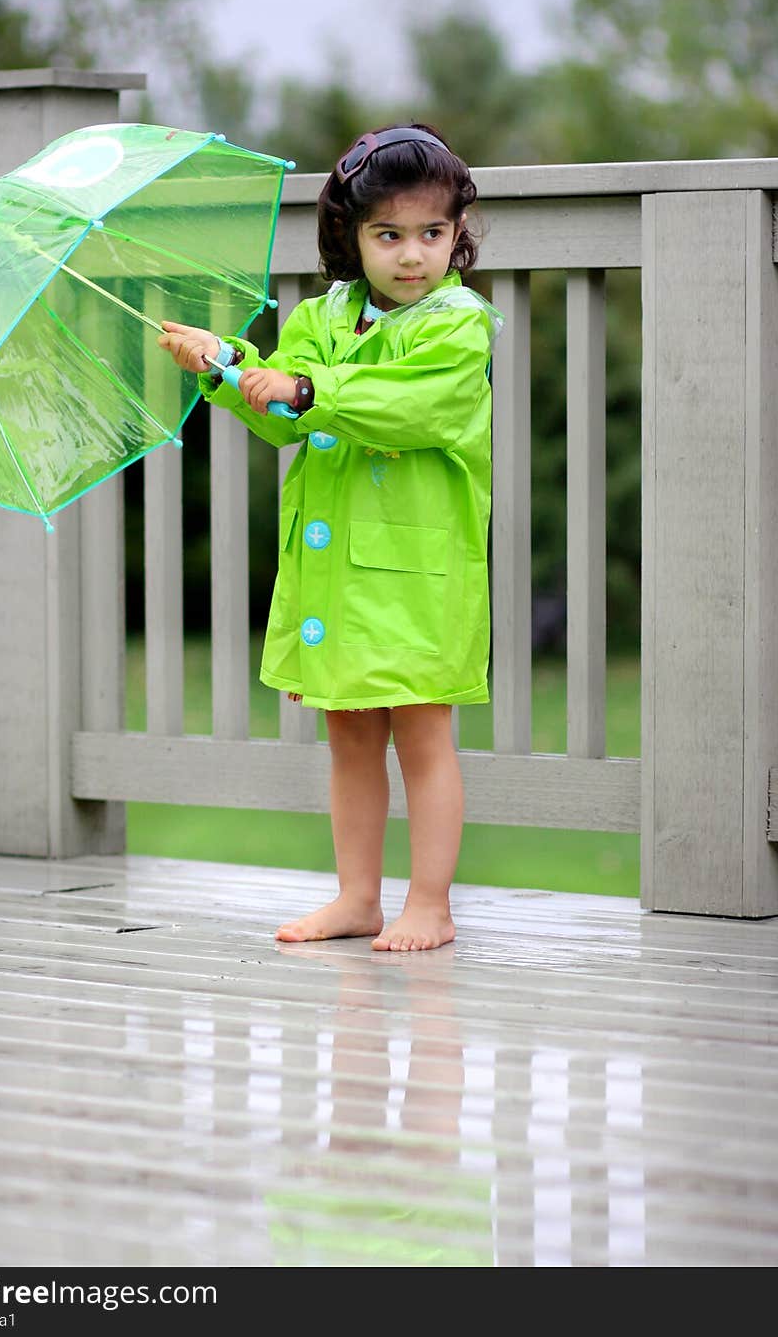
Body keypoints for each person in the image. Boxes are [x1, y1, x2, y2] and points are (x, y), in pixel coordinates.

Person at [158, 123, 502, 952]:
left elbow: (416, 407)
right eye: (389, 234)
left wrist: (310, 385)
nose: (412, 254)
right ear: (350, 235)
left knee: (422, 733)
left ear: (458, 236)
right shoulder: (324, 316)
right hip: (338, 573)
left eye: (432, 233)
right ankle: (357, 898)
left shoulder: (459, 327)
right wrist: (226, 366)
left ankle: (432, 903)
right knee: (349, 735)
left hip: (417, 572)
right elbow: (282, 416)